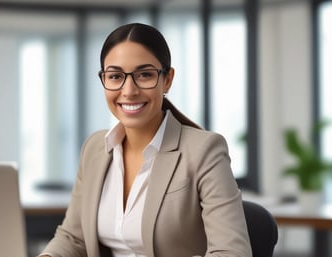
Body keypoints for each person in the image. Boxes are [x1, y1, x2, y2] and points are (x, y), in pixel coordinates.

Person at [38, 23, 252, 257]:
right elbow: (73, 238)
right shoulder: (95, 148)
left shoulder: (204, 151)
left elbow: (232, 252)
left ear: (167, 79)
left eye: (145, 75)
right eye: (115, 76)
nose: (129, 90)